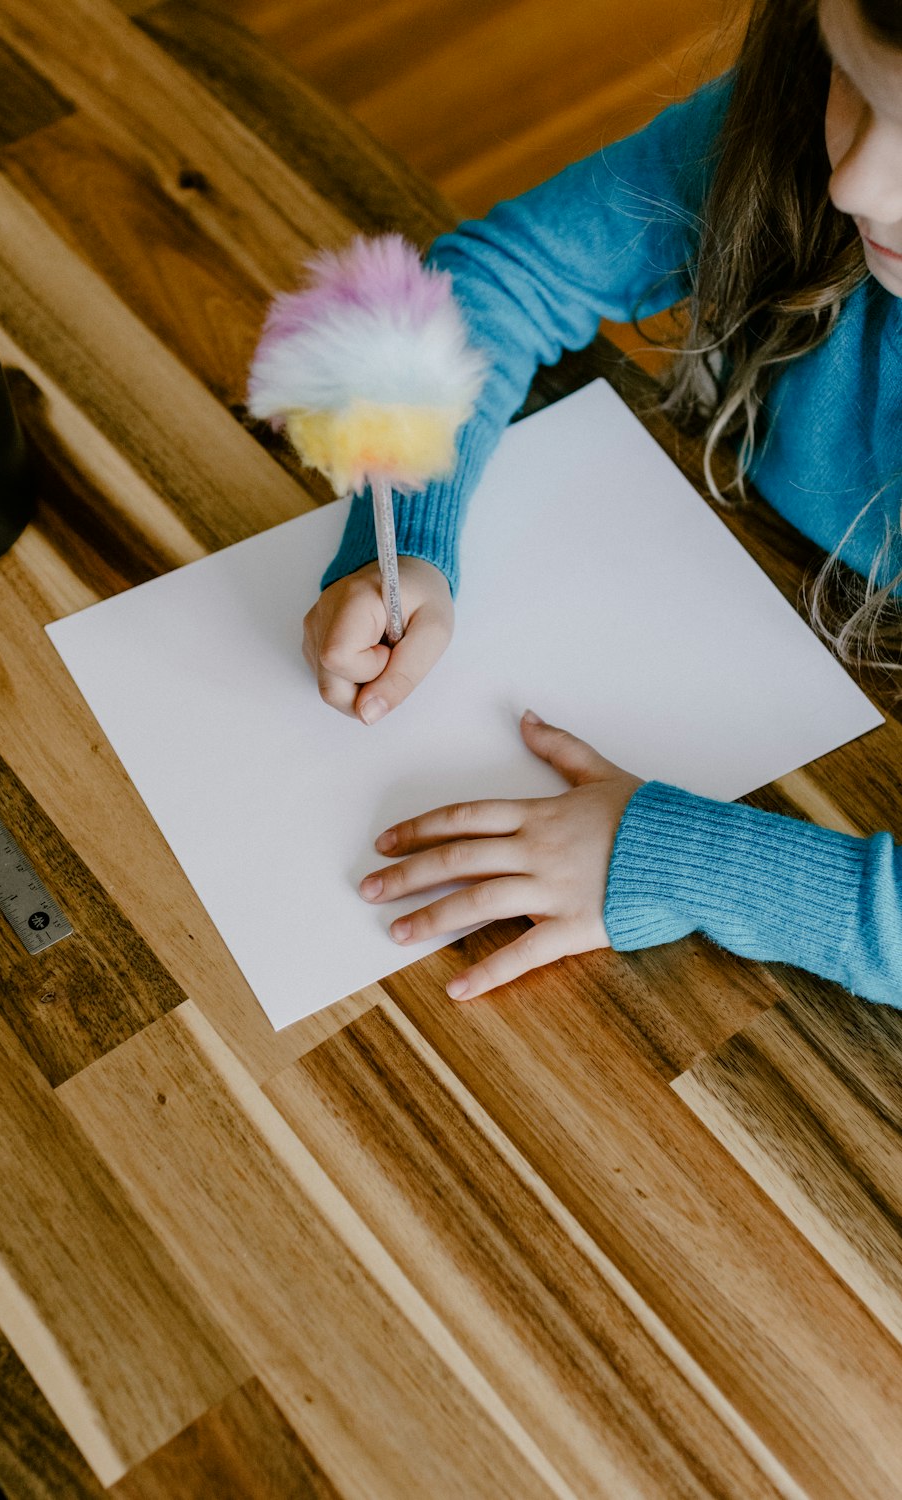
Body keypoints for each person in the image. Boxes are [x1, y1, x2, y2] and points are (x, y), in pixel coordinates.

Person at [301, 0, 902, 1006]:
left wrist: (669, 859)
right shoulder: (791, 125)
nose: (853, 181)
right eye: (852, 81)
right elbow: (494, 279)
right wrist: (408, 536)